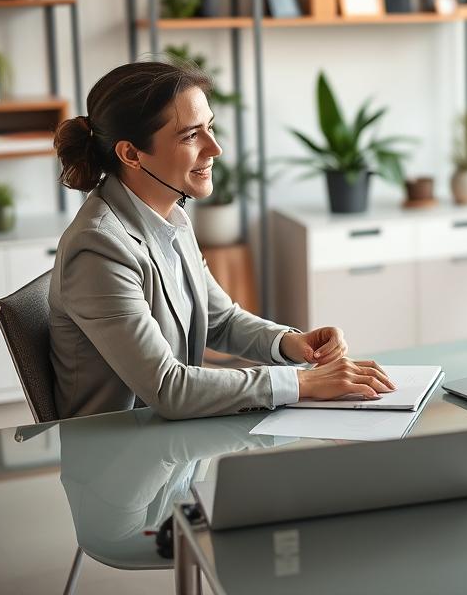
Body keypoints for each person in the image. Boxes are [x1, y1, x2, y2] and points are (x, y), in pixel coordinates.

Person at [50, 61, 394, 420]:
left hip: (170, 447)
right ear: (131, 154)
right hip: (114, 458)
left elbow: (219, 320)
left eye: (210, 128)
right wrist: (302, 383)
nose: (214, 148)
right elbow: (169, 388)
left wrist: (292, 344)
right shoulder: (98, 248)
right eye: (190, 135)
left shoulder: (171, 214)